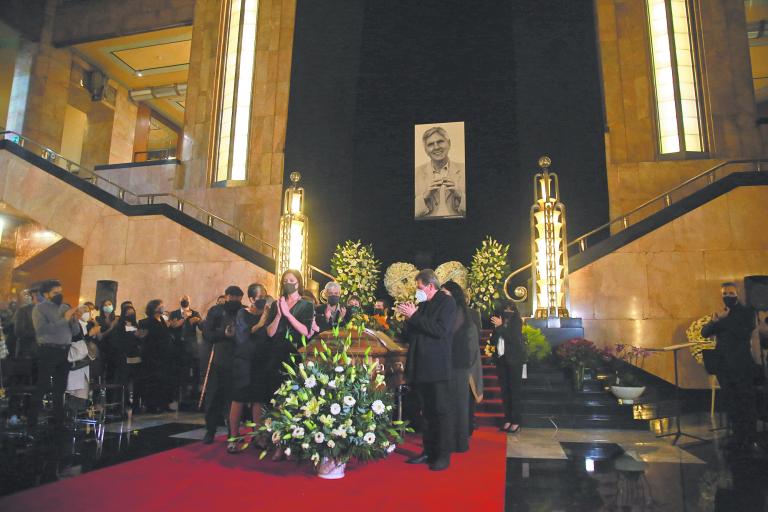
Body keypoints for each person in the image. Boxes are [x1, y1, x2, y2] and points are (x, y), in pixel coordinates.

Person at [397, 269, 457, 471]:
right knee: (427, 413)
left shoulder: (447, 303)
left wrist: (414, 316)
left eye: (419, 287)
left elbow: (440, 331)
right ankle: (428, 450)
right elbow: (412, 334)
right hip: (420, 366)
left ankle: (442, 455)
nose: (417, 291)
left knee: (440, 412)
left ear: (431, 286)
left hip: (437, 367)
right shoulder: (422, 305)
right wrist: (407, 318)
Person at [701, 282, 765, 456]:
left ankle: (749, 439)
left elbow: (743, 332)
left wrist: (724, 320)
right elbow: (704, 333)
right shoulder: (721, 314)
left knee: (746, 402)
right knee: (731, 403)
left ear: (737, 295)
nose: (728, 296)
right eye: (725, 294)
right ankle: (736, 438)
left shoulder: (746, 313)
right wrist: (716, 320)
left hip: (742, 365)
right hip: (724, 366)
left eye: (731, 293)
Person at [265, 270, 314, 459]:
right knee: (275, 398)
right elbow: (269, 333)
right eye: (285, 281)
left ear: (299, 283)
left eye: (292, 281)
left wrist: (288, 314)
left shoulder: (306, 305)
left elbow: (305, 331)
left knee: (291, 399)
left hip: (294, 354)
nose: (288, 283)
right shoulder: (278, 303)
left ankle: (291, 443)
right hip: (275, 353)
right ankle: (276, 441)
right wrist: (278, 315)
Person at [228, 284, 273, 453]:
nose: (263, 298)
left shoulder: (268, 313)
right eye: (260, 296)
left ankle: (258, 436)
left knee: (258, 399)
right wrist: (261, 322)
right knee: (239, 398)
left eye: (265, 295)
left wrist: (268, 317)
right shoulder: (243, 313)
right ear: (252, 299)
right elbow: (243, 335)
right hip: (244, 362)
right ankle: (233, 437)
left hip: (260, 362)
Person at [30, 279, 76, 427]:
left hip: (64, 351)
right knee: (42, 385)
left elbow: (74, 332)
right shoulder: (39, 309)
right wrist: (64, 320)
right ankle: (33, 420)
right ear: (46, 294)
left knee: (60, 387)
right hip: (48, 350)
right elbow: (42, 330)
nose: (59, 295)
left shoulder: (64, 307)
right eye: (55, 292)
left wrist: (73, 320)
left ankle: (58, 419)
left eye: (60, 292)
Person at [202, 286, 245, 444]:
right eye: (231, 296)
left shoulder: (244, 311)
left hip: (238, 361)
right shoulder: (216, 311)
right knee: (214, 398)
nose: (234, 300)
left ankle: (232, 432)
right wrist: (223, 334)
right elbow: (207, 333)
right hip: (218, 361)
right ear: (226, 296)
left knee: (235, 399)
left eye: (237, 297)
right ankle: (210, 431)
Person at [441, 280, 479, 453]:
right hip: (450, 364)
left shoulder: (460, 312)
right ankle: (452, 441)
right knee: (450, 405)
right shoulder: (451, 310)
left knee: (459, 405)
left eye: (445, 293)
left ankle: (459, 441)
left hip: (458, 364)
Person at [414, 126, 466, 219]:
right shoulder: (415, 173)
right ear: (425, 150)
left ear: (449, 144)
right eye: (430, 144)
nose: (436, 147)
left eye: (440, 141)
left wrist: (459, 195)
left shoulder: (464, 169)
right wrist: (425, 197)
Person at [490, 300, 524, 433]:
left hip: (514, 360)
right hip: (501, 359)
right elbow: (494, 339)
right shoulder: (499, 320)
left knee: (514, 391)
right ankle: (508, 419)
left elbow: (512, 337)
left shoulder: (516, 321)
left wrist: (501, 326)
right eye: (506, 308)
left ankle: (516, 421)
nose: (508, 311)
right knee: (504, 391)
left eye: (510, 309)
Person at [139, 300, 175, 413]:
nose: (162, 307)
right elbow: (147, 338)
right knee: (153, 381)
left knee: (164, 381)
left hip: (165, 355)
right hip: (153, 355)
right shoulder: (147, 321)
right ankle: (152, 405)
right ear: (154, 308)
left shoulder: (162, 320)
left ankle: (164, 403)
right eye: (160, 306)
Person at [168, 295, 203, 402]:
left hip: (191, 347)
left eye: (186, 299)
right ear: (180, 301)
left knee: (192, 372)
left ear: (190, 301)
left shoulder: (195, 313)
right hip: (177, 347)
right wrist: (181, 320)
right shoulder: (174, 313)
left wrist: (198, 320)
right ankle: (177, 397)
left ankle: (192, 397)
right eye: (183, 299)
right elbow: (171, 326)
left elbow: (201, 327)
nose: (185, 301)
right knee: (178, 373)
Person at [109, 303, 144, 410]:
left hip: (136, 356)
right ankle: (122, 403)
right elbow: (118, 341)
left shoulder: (136, 325)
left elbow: (139, 338)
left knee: (137, 381)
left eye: (132, 313)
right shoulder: (119, 325)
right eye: (128, 313)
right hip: (124, 357)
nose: (130, 315)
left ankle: (136, 404)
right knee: (123, 381)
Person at [13, 284, 41, 359]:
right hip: (27, 351)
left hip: (42, 352)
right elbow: (19, 332)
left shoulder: (45, 310)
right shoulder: (23, 310)